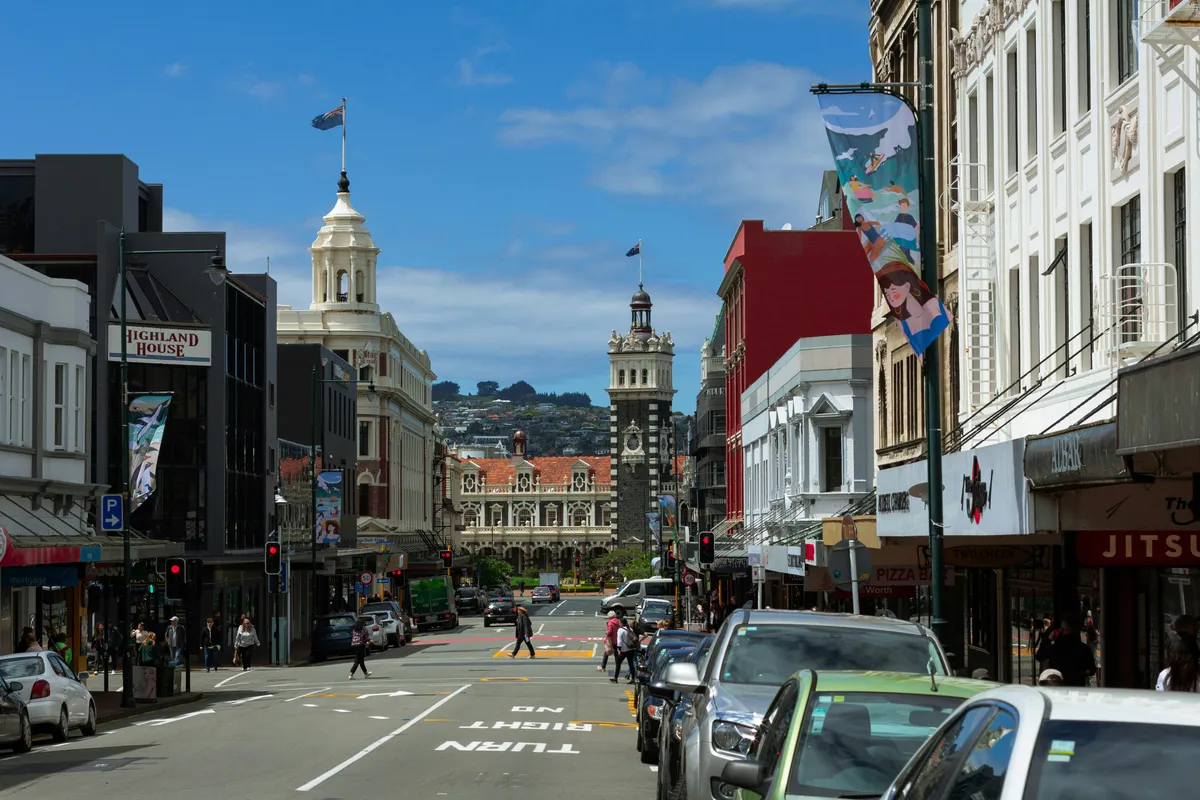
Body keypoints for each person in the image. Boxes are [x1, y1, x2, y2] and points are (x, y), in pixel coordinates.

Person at [1049, 618, 1096, 687]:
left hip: (1061, 686)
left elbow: (1045, 658)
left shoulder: (1057, 647)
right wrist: (1081, 674)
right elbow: (1092, 670)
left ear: (1062, 630)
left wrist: (1050, 640)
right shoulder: (1083, 648)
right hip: (1077, 686)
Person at [612, 619, 637, 684]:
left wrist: (619, 650)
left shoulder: (620, 630)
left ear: (621, 623)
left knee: (618, 663)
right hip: (631, 649)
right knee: (631, 664)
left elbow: (619, 641)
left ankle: (615, 678)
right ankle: (633, 679)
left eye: (619, 622)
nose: (618, 623)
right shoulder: (629, 629)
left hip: (623, 650)